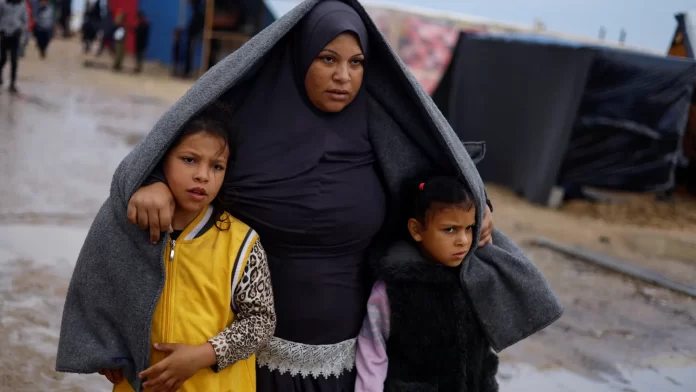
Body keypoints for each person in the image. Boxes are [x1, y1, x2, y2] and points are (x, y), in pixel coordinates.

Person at [56, 1, 563, 391]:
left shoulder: (380, 125)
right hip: (235, 363)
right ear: (301, 55)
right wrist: (152, 186)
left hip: (350, 362)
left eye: (357, 62)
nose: (344, 76)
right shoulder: (242, 118)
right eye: (327, 59)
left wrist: (479, 204)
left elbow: (434, 177)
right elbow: (178, 155)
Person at [60, 104, 277, 392]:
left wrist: (202, 355)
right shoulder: (132, 227)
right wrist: (106, 346)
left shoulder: (242, 243)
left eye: (217, 166)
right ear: (161, 160)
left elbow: (261, 322)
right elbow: (98, 286)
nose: (203, 175)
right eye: (189, 160)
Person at [355, 176, 500, 392]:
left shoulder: (473, 279)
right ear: (416, 230)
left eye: (469, 228)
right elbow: (372, 352)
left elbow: (484, 353)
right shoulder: (393, 291)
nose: (463, 240)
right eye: (449, 229)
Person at [0, 0, 28, 93]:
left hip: (15, 35)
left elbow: (25, 20)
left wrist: (21, 29)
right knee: (3, 58)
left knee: (14, 60)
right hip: (4, 34)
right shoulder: (2, 3)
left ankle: (12, 83)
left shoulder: (22, 5)